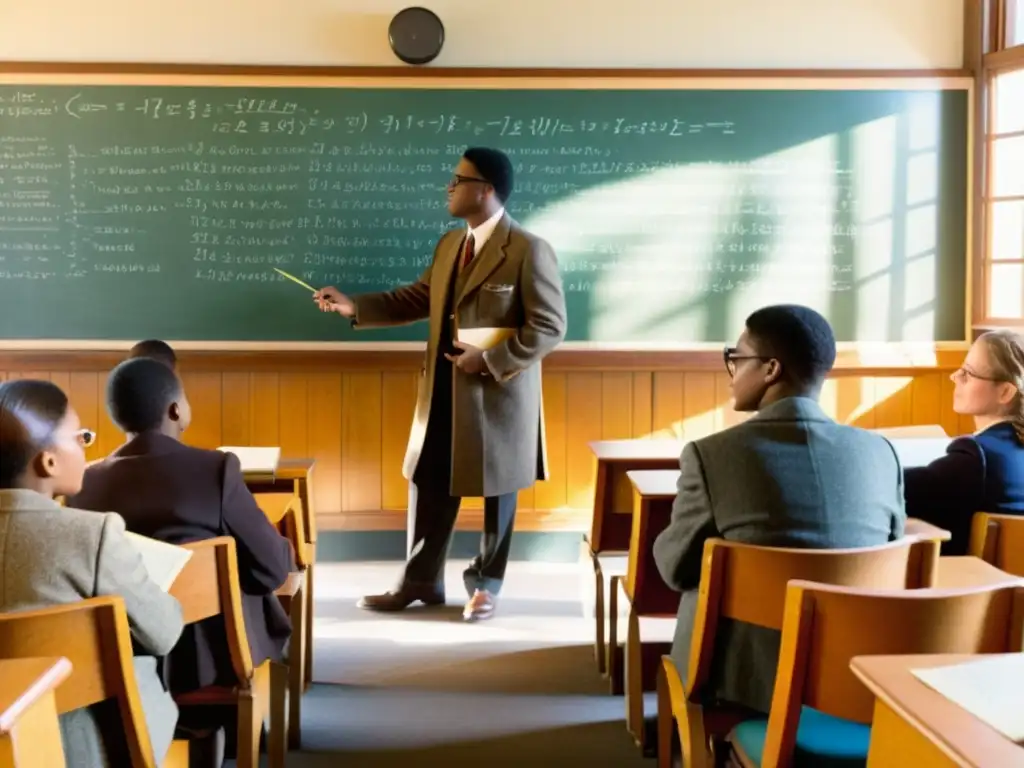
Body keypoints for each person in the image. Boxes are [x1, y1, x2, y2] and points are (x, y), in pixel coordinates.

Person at [313, 146, 567, 621]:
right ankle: (421, 581)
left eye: (458, 179)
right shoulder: (450, 244)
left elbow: (549, 327)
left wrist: (490, 359)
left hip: (497, 393)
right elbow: (417, 298)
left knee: (499, 492)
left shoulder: (529, 250)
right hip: (443, 390)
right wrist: (355, 307)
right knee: (427, 478)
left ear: (485, 190)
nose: (448, 187)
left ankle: (486, 585)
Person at [652, 304, 905, 717]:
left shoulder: (711, 456)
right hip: (857, 672)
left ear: (770, 369)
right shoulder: (881, 454)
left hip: (744, 680)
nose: (732, 371)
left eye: (736, 359)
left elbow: (674, 570)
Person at [68, 358, 295, 763]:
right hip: (211, 661)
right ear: (176, 410)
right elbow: (272, 569)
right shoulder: (215, 469)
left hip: (123, 658)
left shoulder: (85, 483)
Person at [0, 379, 184, 767]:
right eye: (81, 438)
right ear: (48, 461)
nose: (86, 448)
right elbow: (164, 632)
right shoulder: (92, 535)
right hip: (83, 747)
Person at [904, 330, 1024, 554]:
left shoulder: (978, 457)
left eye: (968, 373)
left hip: (969, 584)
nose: (954, 376)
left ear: (1005, 392)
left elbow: (896, 491)